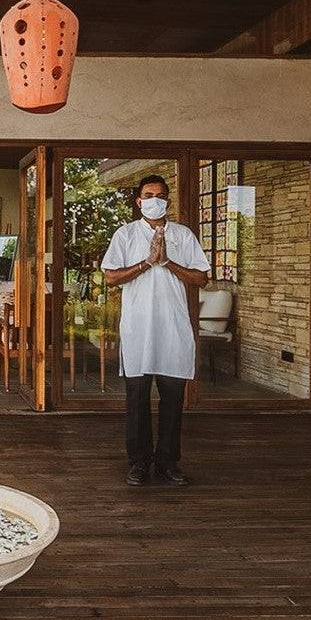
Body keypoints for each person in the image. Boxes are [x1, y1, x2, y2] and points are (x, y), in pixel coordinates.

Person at [101, 174, 210, 487]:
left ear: (168, 201)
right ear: (139, 201)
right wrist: (147, 263)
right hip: (138, 329)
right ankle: (138, 462)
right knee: (136, 401)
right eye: (148, 195)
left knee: (173, 402)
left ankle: (167, 463)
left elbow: (201, 278)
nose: (154, 200)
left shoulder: (183, 235)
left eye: (160, 195)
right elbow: (110, 277)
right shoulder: (125, 234)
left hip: (173, 328)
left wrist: (167, 261)